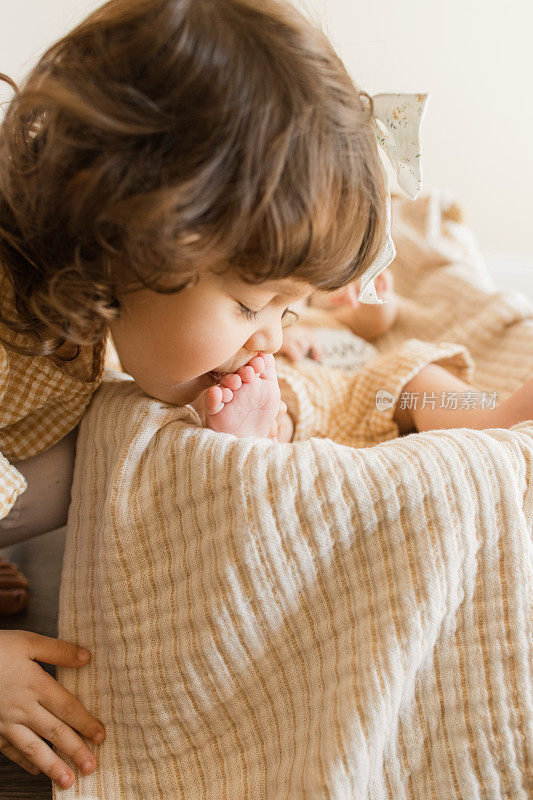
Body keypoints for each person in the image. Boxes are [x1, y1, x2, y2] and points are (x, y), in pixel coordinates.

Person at [0, 0, 531, 792]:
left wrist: (290, 308)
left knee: (320, 383)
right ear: (122, 233)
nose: (272, 334)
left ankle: (469, 410)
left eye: (285, 307)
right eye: (253, 306)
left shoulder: (99, 292)